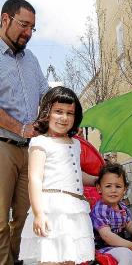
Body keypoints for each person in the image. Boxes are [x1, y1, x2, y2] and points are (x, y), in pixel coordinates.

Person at [19, 86, 96, 263]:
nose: (64, 117)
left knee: (70, 258)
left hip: (74, 209)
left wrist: (97, 180)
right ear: (47, 112)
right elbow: (35, 179)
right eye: (58, 111)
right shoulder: (41, 142)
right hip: (52, 209)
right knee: (50, 258)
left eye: (70, 113)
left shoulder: (75, 144)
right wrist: (39, 213)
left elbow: (75, 172)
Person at [0, 0, 49, 264]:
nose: (28, 33)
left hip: (30, 151)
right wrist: (20, 127)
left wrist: (58, 111)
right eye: (23, 25)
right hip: (2, 146)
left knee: (25, 217)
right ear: (5, 19)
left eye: (33, 28)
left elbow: (46, 94)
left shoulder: (32, 59)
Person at [90, 163, 132, 265]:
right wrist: (130, 245)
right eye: (108, 186)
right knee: (127, 254)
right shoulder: (101, 209)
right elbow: (106, 236)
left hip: (120, 245)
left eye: (118, 186)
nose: (113, 190)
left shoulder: (122, 207)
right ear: (99, 188)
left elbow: (129, 225)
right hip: (102, 247)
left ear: (124, 189)